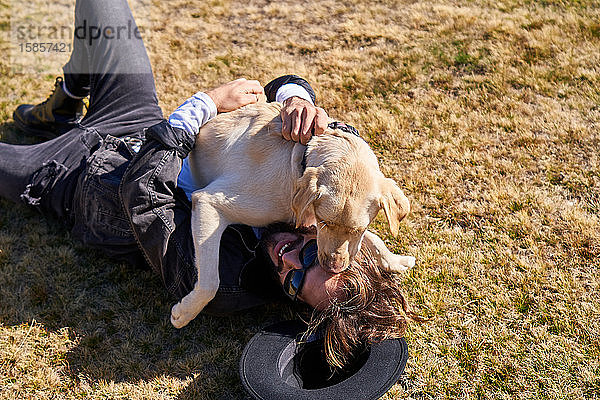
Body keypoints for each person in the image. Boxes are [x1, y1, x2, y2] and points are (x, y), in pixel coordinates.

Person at [3, 0, 417, 369]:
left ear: (289, 303)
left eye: (294, 281)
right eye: (311, 253)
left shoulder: (225, 280)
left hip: (76, 180)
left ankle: (58, 128)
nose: (290, 259)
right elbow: (316, 125)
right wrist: (298, 101)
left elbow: (142, 195)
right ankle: (67, 100)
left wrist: (204, 106)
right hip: (140, 121)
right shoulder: (332, 188)